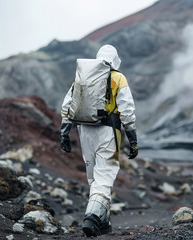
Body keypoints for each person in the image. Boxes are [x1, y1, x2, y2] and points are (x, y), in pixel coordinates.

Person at [60, 44, 138, 236]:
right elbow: (127, 109)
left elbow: (68, 104)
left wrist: (64, 132)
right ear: (115, 59)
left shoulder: (84, 77)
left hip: (84, 130)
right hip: (107, 132)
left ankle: (103, 223)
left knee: (94, 178)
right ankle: (92, 218)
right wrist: (132, 138)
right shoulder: (118, 78)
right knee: (105, 175)